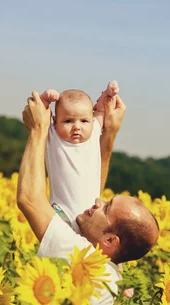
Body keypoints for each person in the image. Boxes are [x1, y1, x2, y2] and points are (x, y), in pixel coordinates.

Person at [17, 90, 159, 305]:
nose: (97, 201)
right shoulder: (106, 267)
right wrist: (107, 135)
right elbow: (87, 194)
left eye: (105, 206)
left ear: (109, 241)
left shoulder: (87, 263)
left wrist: (39, 129)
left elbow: (29, 200)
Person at [39, 82, 119, 230]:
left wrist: (108, 95)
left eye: (83, 121)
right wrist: (46, 99)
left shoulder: (94, 131)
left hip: (90, 214)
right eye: (68, 121)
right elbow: (41, 112)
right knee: (59, 244)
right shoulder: (53, 135)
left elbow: (101, 110)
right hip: (62, 211)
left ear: (91, 120)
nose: (77, 126)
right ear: (55, 121)